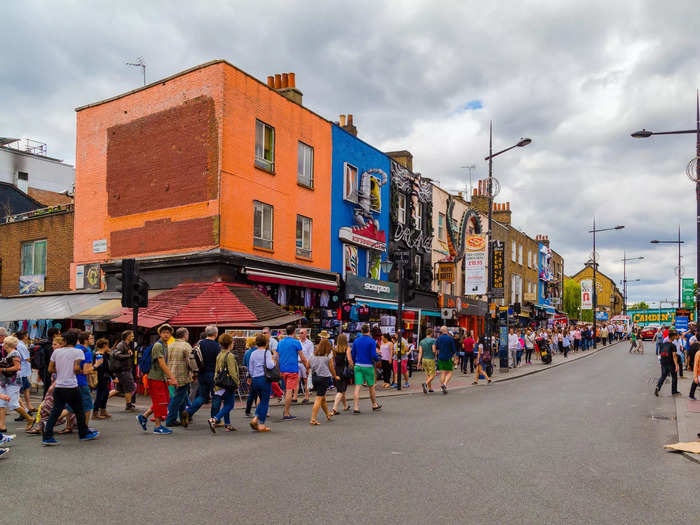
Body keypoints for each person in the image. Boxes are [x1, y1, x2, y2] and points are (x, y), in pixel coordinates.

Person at [41, 330, 99, 445]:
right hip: (72, 385)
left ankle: (47, 436)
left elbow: (50, 369)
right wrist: (84, 371)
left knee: (56, 410)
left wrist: (61, 370)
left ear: (65, 340)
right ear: (75, 340)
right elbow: (77, 369)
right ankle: (83, 433)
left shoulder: (56, 352)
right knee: (79, 410)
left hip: (59, 385)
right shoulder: (78, 352)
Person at [137, 324, 177, 435]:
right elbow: (162, 363)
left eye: (168, 333)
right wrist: (172, 377)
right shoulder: (158, 346)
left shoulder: (165, 345)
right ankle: (158, 427)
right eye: (164, 332)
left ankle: (144, 416)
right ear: (160, 333)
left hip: (160, 378)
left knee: (165, 400)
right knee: (160, 401)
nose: (166, 334)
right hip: (155, 378)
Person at [276, 324, 310, 421]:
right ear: (294, 331)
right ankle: (286, 413)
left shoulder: (280, 342)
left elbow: (277, 358)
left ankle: (286, 411)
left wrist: (278, 369)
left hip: (283, 369)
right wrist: (307, 367)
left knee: (286, 390)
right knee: (289, 391)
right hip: (292, 370)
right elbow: (302, 358)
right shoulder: (296, 342)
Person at [207, 333, 239, 433]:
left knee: (226, 403)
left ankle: (227, 424)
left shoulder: (220, 354)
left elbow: (216, 369)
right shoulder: (230, 356)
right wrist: (236, 384)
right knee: (230, 405)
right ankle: (215, 419)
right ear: (230, 344)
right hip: (228, 383)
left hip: (220, 383)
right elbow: (233, 372)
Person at [187, 325, 220, 422]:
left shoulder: (199, 344)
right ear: (216, 334)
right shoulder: (216, 346)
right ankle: (214, 419)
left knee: (202, 396)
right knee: (216, 396)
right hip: (213, 374)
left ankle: (189, 412)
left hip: (201, 373)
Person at [165, 328, 195, 428]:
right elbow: (190, 362)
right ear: (184, 335)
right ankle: (171, 419)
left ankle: (183, 418)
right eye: (188, 334)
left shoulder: (170, 345)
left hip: (171, 374)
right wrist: (194, 371)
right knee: (178, 397)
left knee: (181, 396)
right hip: (182, 375)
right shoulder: (186, 346)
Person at [248, 333, 277, 432]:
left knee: (261, 399)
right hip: (264, 379)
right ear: (266, 342)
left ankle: (255, 418)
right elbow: (270, 366)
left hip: (255, 379)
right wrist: (274, 361)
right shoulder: (267, 352)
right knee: (265, 401)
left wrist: (252, 376)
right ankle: (261, 423)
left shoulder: (253, 353)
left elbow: (250, 369)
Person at [350, 324, 382, 413]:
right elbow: (373, 355)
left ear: (361, 331)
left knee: (357, 386)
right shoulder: (372, 341)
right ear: (369, 331)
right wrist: (377, 359)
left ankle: (356, 407)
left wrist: (354, 362)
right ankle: (374, 404)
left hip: (358, 365)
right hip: (368, 366)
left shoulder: (356, 341)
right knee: (371, 386)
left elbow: (353, 354)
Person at [308, 338, 336, 425]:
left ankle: (327, 414)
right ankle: (313, 419)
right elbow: (331, 368)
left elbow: (307, 365)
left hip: (314, 377)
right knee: (319, 398)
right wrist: (335, 376)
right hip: (324, 378)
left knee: (322, 397)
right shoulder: (328, 356)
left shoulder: (313, 355)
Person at [72, 331, 94, 426]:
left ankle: (69, 425)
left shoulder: (74, 348)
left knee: (70, 406)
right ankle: (84, 428)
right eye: (91, 338)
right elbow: (86, 371)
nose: (93, 340)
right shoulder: (87, 351)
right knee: (87, 406)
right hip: (81, 381)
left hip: (70, 380)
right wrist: (95, 366)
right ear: (85, 340)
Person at [111, 330, 136, 411]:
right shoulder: (121, 345)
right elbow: (116, 354)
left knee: (118, 389)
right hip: (123, 370)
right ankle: (128, 405)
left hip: (124, 370)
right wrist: (128, 356)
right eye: (132, 335)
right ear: (127, 336)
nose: (133, 337)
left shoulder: (126, 345)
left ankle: (102, 401)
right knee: (129, 387)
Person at [14, 331, 36, 416]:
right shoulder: (21, 345)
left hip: (23, 371)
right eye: (27, 335)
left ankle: (28, 406)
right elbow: (27, 358)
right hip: (22, 371)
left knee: (26, 387)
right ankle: (24, 411)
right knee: (18, 392)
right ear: (24, 336)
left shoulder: (19, 344)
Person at [92, 338, 114, 419]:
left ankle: (103, 410)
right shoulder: (99, 355)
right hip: (101, 378)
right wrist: (113, 377)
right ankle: (95, 412)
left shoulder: (102, 354)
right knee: (100, 395)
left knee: (105, 394)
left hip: (103, 377)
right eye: (107, 345)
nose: (108, 347)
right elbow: (104, 368)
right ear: (104, 345)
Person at [655, 330, 681, 397]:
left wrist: (660, 362)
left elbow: (661, 354)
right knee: (674, 377)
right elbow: (674, 356)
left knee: (663, 376)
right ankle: (674, 391)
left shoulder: (663, 344)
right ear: (672, 337)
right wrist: (676, 365)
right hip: (670, 363)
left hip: (663, 362)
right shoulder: (673, 345)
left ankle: (658, 387)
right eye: (675, 336)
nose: (675, 337)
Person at [331, 334, 351, 415]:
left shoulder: (335, 348)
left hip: (336, 370)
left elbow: (332, 362)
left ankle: (345, 406)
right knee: (340, 390)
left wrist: (332, 372)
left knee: (341, 389)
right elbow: (349, 360)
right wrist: (352, 366)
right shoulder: (347, 348)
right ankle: (335, 408)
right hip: (344, 371)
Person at [434, 326, 456, 394]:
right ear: (446, 331)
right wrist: (454, 358)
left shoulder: (439, 338)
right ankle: (445, 384)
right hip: (448, 357)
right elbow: (453, 349)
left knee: (443, 372)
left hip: (440, 357)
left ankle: (441, 387)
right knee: (450, 372)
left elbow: (436, 348)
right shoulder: (450, 338)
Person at [297, 328, 314, 403]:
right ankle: (295, 397)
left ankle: (306, 397)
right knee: (296, 380)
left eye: (302, 333)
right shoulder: (298, 342)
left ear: (306, 334)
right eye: (300, 333)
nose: (300, 334)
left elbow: (311, 355)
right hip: (297, 363)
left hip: (305, 363)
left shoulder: (309, 343)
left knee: (305, 380)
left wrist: (308, 365)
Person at [418, 328, 437, 393]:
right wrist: (436, 354)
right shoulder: (433, 340)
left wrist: (418, 362)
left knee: (428, 374)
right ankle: (425, 384)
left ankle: (430, 388)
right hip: (430, 358)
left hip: (423, 359)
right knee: (433, 375)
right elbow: (434, 350)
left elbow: (420, 352)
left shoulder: (422, 341)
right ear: (431, 333)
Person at [243, 337, 258, 417]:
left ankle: (248, 411)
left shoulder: (247, 352)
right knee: (257, 393)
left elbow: (244, 363)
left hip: (249, 374)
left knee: (252, 393)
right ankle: (257, 410)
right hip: (257, 374)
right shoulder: (257, 351)